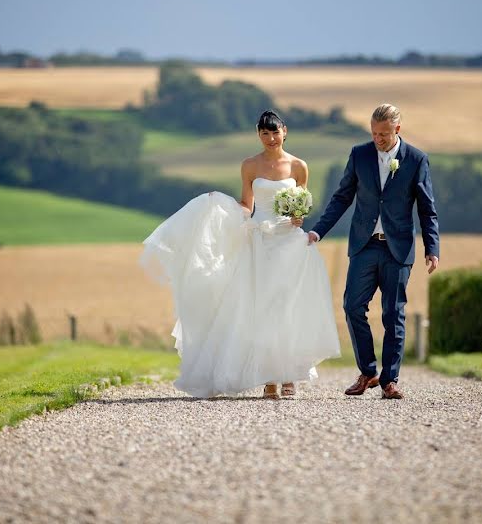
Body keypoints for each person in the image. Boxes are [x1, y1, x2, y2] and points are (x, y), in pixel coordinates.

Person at [141, 110, 341, 399]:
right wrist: (222, 207)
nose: (270, 138)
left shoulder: (299, 166)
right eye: (264, 133)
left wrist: (298, 218)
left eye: (275, 132)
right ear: (258, 135)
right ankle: (269, 378)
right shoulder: (250, 165)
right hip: (259, 241)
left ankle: (288, 375)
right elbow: (248, 205)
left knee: (287, 307)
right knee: (259, 307)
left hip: (289, 245)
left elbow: (301, 204)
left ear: (285, 131)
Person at [308, 103, 439, 400]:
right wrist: (319, 230)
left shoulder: (417, 159)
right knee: (352, 306)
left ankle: (389, 380)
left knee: (394, 314)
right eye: (374, 133)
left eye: (383, 134)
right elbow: (341, 198)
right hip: (364, 245)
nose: (378, 139)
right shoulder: (359, 154)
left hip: (398, 248)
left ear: (397, 130)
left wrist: (432, 248)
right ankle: (368, 371)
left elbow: (427, 209)